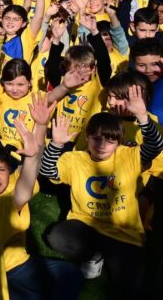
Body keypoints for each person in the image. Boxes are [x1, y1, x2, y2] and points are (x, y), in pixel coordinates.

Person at [40, 90, 163, 297]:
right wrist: (56, 144)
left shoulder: (128, 155)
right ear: (86, 138)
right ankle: (93, 255)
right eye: (96, 139)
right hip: (85, 223)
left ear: (119, 142)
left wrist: (142, 117)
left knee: (130, 287)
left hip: (123, 232)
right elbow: (48, 171)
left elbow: (155, 146)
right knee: (57, 236)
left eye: (110, 141)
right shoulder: (75, 159)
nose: (102, 146)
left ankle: (110, 258)